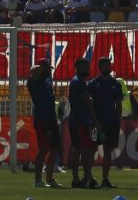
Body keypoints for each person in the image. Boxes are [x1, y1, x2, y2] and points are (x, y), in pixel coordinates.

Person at [87, 57, 122, 189]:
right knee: (92, 149)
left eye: (110, 65)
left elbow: (118, 104)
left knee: (107, 150)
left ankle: (105, 179)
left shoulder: (116, 84)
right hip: (96, 122)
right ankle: (88, 176)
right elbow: (90, 103)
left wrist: (117, 120)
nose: (109, 67)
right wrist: (94, 120)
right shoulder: (94, 83)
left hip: (111, 122)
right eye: (106, 65)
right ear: (100, 67)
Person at [26, 59, 62, 189]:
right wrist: (42, 67)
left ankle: (50, 178)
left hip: (51, 119)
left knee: (55, 147)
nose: (49, 71)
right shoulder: (34, 81)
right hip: (42, 120)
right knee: (43, 149)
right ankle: (38, 180)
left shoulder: (46, 81)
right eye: (47, 69)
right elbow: (33, 70)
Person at [68, 57, 99, 189]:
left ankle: (77, 179)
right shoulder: (78, 83)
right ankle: (88, 179)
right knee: (85, 150)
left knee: (77, 149)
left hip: (76, 120)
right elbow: (88, 103)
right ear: (79, 67)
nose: (88, 69)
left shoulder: (76, 82)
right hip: (80, 121)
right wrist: (96, 121)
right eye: (86, 67)